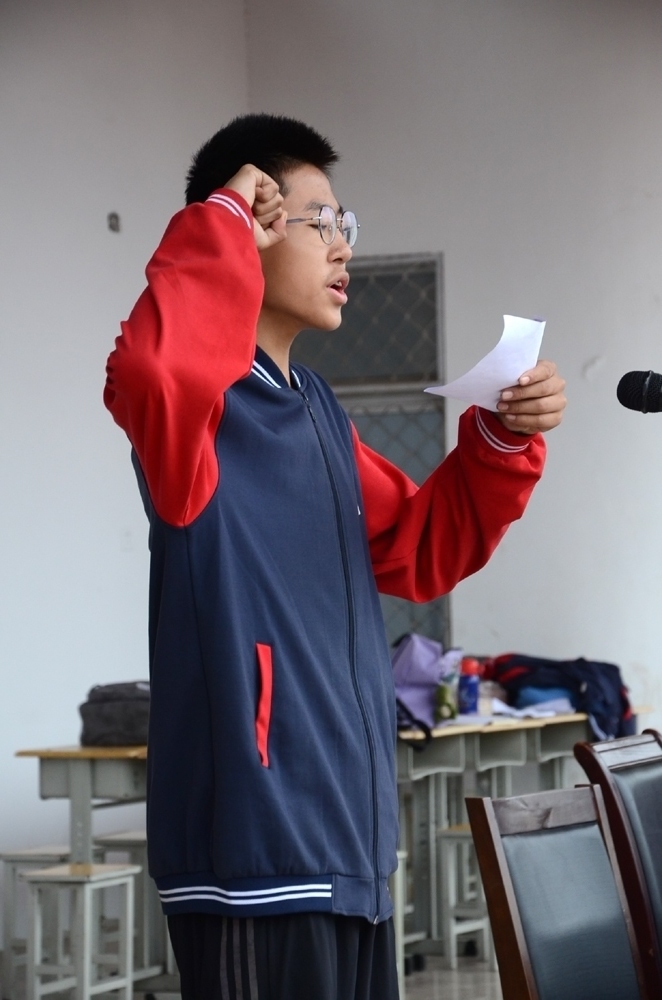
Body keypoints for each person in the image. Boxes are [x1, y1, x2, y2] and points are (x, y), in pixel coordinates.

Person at [104, 113, 566, 1000]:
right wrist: (219, 220)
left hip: (349, 850)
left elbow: (422, 549)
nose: (343, 247)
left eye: (344, 224)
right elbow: (154, 370)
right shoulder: (200, 413)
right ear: (252, 224)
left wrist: (502, 441)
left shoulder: (314, 408)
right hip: (256, 858)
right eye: (320, 222)